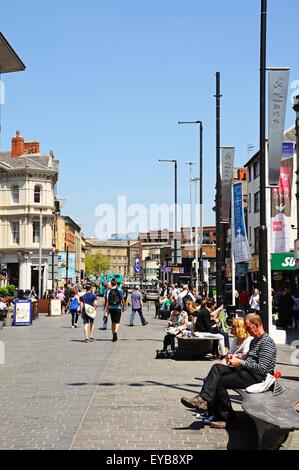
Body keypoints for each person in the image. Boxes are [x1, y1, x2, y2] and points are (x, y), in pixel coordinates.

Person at [180, 313, 277, 429]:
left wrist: (239, 362)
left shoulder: (267, 342)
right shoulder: (255, 340)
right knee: (217, 368)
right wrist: (237, 361)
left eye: (248, 327)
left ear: (256, 325)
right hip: (247, 371)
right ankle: (203, 398)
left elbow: (262, 369)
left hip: (257, 377)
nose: (247, 331)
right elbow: (249, 361)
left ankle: (229, 419)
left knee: (220, 382)